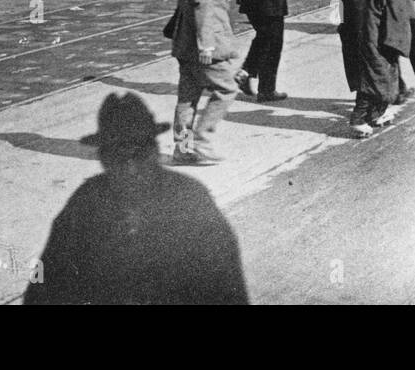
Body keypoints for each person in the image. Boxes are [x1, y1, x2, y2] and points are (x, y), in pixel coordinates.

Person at [24, 91, 248, 305]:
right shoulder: (86, 202)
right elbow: (43, 286)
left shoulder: (189, 200)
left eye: (139, 154)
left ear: (154, 152)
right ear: (103, 159)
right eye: (119, 157)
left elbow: (228, 289)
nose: (131, 169)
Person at [168, 0, 242, 165]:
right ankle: (201, 140)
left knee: (188, 96)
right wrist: (207, 45)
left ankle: (183, 148)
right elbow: (204, 8)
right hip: (202, 44)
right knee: (227, 88)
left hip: (185, 42)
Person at [339, 0, 415, 138]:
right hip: (377, 32)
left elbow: (340, 2)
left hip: (356, 32)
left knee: (370, 72)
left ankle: (376, 113)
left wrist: (341, 27)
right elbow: (400, 3)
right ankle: (358, 118)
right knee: (378, 75)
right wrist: (413, 14)